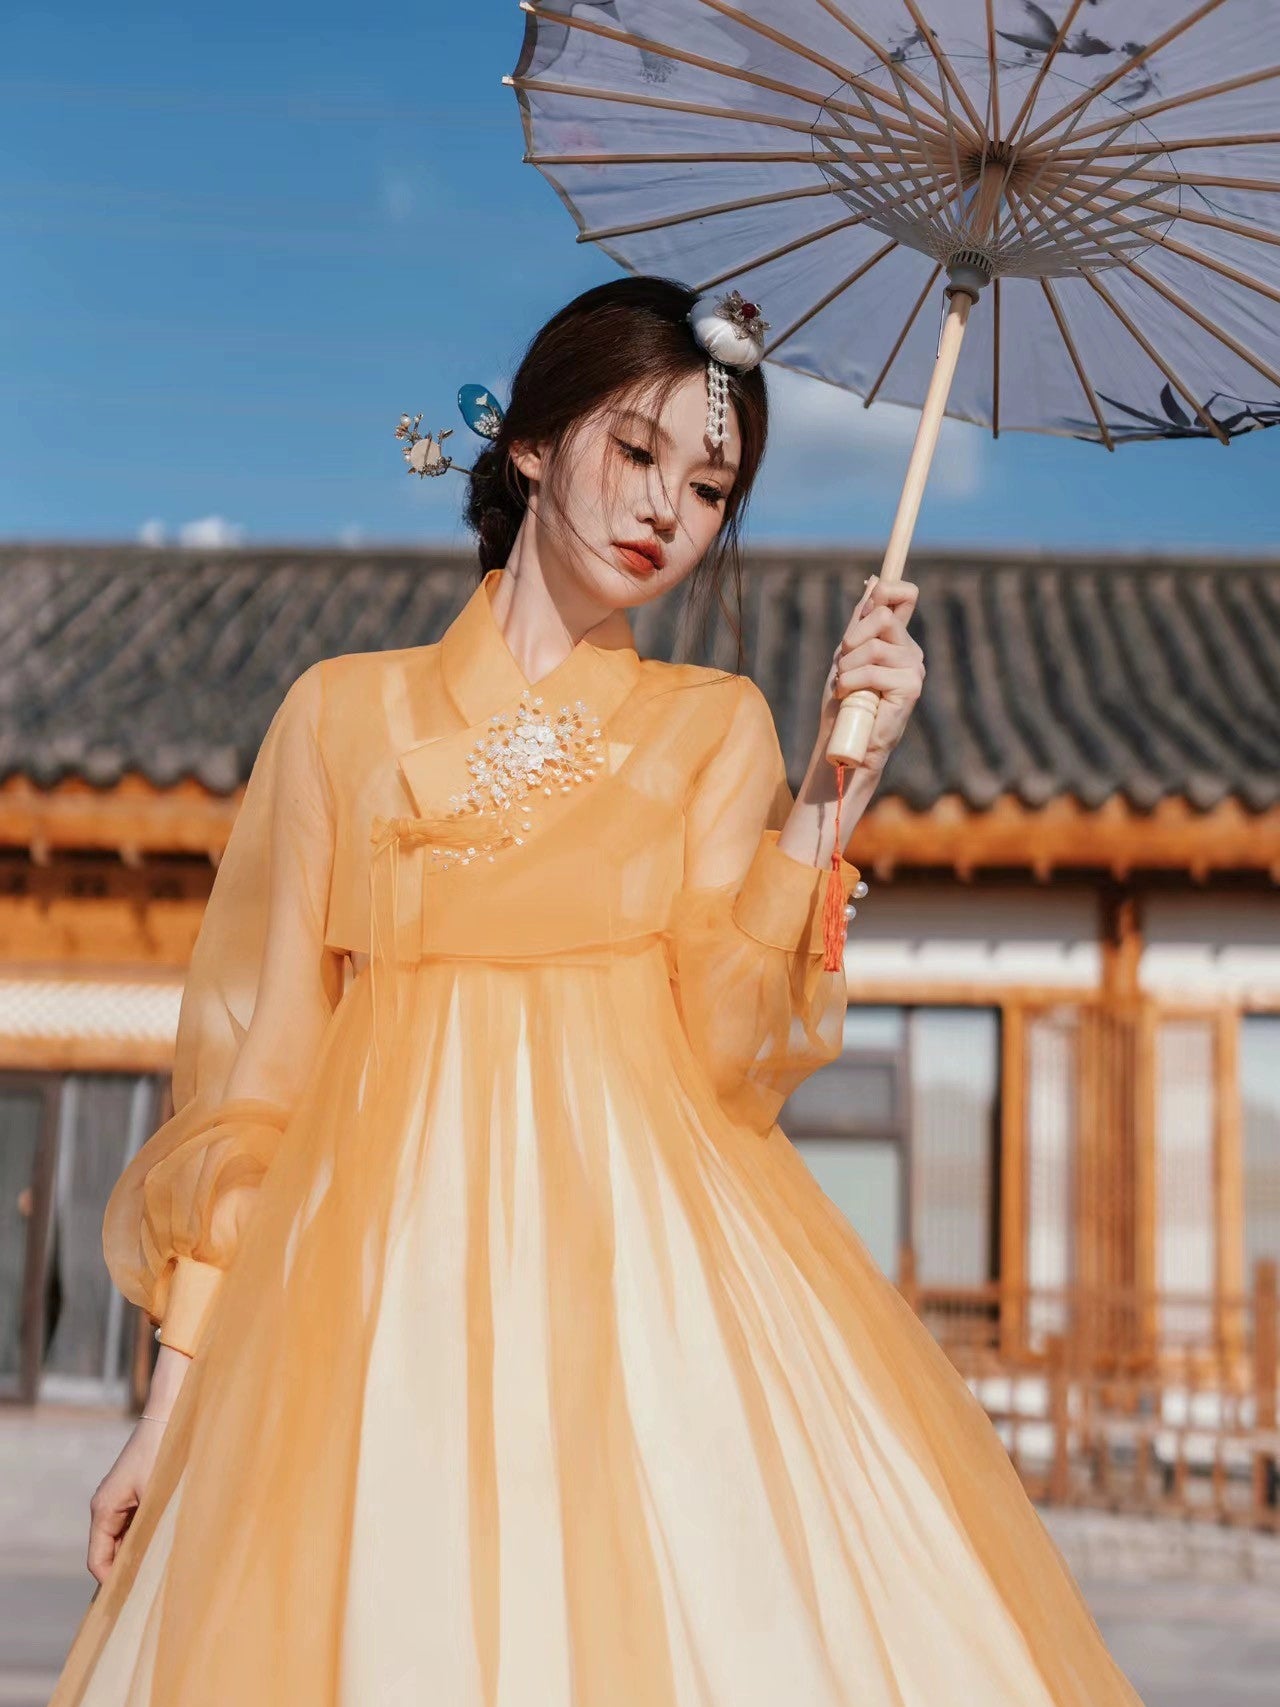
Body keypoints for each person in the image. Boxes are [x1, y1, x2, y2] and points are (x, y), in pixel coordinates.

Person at [49, 276, 1141, 1706]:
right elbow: (260, 1091)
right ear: (529, 443)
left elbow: (735, 1053)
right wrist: (169, 1411)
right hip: (374, 1314)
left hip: (646, 1312)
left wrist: (827, 799)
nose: (664, 511)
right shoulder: (337, 715)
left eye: (709, 485)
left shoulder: (716, 730)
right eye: (635, 452)